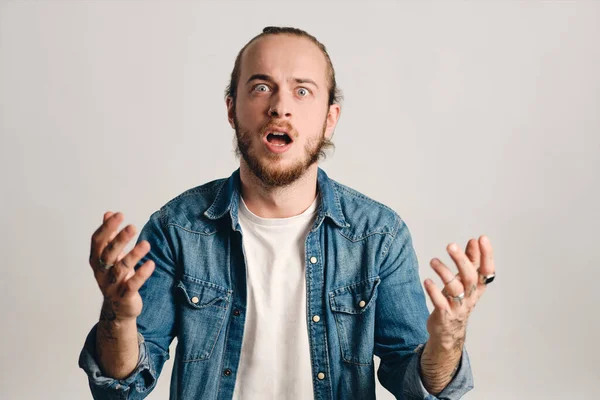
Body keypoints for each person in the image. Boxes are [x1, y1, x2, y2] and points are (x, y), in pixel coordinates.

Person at [79, 26, 496, 400]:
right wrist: (117, 319)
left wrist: (447, 339)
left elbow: (417, 385)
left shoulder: (379, 235)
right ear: (231, 109)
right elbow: (123, 387)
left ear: (330, 118)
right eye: (261, 87)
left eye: (302, 91)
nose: (280, 107)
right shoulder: (178, 229)